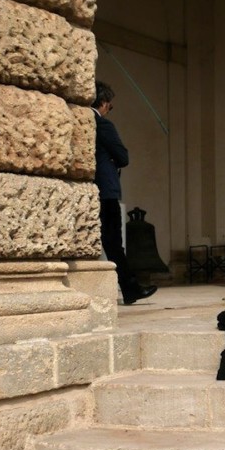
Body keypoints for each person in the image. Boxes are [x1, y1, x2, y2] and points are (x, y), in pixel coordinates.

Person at [92, 81, 157, 305]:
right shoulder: (103, 125)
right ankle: (130, 289)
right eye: (110, 106)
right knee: (113, 243)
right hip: (106, 191)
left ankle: (130, 288)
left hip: (89, 189)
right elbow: (123, 157)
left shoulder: (81, 121)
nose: (108, 110)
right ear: (102, 103)